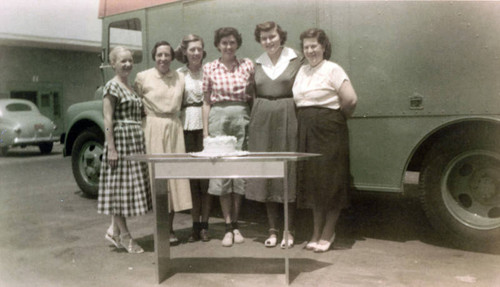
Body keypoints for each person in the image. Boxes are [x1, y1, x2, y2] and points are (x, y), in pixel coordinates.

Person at [292, 28, 357, 253]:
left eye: (314, 46)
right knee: (313, 184)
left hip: (330, 129)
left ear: (323, 47)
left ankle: (328, 232)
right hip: (307, 129)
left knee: (331, 182)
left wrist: (335, 119)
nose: (310, 50)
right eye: (306, 47)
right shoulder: (302, 71)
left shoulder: (333, 69)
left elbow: (350, 99)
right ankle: (315, 232)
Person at [246, 21, 303, 249]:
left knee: (287, 172)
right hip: (262, 119)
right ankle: (271, 228)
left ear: (281, 36)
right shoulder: (256, 63)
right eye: (264, 38)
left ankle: (289, 229)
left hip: (288, 116)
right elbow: (251, 93)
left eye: (272, 36)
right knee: (267, 172)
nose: (268, 41)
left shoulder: (296, 58)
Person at [134, 41, 192, 244]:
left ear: (172, 57)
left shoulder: (180, 77)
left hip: (174, 128)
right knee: (156, 179)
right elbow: (135, 103)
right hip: (152, 126)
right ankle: (160, 229)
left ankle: (170, 229)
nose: (163, 59)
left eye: (167, 55)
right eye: (159, 55)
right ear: (154, 56)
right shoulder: (143, 77)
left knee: (174, 179)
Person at [202, 27, 254, 247]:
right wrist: (206, 132)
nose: (228, 46)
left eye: (232, 42)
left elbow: (253, 97)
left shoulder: (247, 65)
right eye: (224, 43)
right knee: (222, 173)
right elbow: (206, 101)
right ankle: (226, 226)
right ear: (217, 45)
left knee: (239, 172)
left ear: (237, 44)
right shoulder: (210, 68)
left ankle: (236, 225)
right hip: (218, 118)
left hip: (241, 116)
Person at [97, 46, 151, 254]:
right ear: (113, 64)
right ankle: (126, 237)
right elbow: (108, 119)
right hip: (120, 140)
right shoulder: (111, 87)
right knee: (119, 190)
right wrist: (111, 148)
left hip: (134, 140)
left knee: (124, 188)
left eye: (130, 60)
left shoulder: (130, 86)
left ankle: (113, 229)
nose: (128, 64)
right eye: (123, 61)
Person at [174, 34, 213, 242]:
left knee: (205, 181)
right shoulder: (179, 74)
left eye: (199, 49)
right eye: (192, 50)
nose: (196, 53)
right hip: (186, 127)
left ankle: (205, 225)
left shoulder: (210, 71)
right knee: (192, 182)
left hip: (206, 126)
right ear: (185, 52)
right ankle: (194, 226)